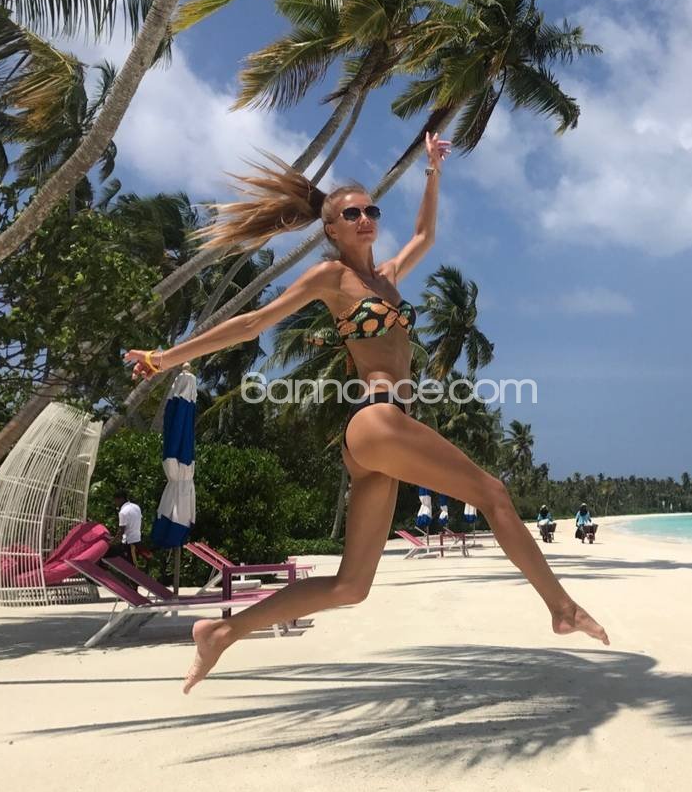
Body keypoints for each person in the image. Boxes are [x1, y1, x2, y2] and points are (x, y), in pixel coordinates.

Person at [124, 132, 610, 695]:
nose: (364, 219)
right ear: (331, 229)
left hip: (381, 438)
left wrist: (432, 171)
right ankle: (562, 608)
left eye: (371, 211)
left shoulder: (391, 277)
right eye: (352, 214)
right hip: (376, 419)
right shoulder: (332, 278)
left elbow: (425, 234)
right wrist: (164, 358)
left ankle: (221, 632)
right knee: (493, 494)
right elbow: (253, 324)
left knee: (351, 586)